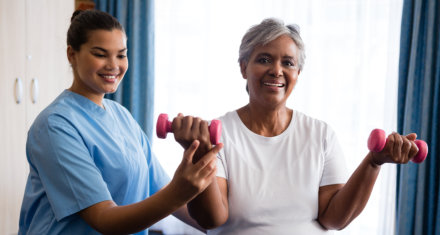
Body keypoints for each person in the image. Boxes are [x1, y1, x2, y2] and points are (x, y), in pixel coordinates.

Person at [184, 18, 421, 234]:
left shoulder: (320, 134)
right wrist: (199, 152)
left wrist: (373, 162)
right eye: (264, 59)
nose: (277, 70)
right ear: (243, 67)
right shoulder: (217, 135)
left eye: (287, 63)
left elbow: (334, 219)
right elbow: (211, 218)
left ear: (298, 72)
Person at [18, 9, 222, 235]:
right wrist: (178, 191)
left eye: (121, 55)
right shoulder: (55, 126)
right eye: (100, 54)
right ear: (71, 54)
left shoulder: (122, 116)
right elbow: (105, 219)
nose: (113, 65)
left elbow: (176, 202)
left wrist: (199, 156)